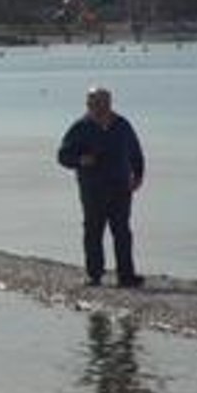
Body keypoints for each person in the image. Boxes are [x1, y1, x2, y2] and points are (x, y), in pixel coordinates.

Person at [57, 87, 146, 288]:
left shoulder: (122, 125)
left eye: (102, 103)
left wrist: (138, 176)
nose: (97, 107)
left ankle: (126, 276)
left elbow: (136, 153)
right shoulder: (81, 127)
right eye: (93, 104)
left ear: (110, 103)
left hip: (121, 187)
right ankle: (94, 274)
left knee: (122, 231)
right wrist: (80, 160)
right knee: (93, 230)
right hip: (92, 188)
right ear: (88, 105)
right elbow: (62, 156)